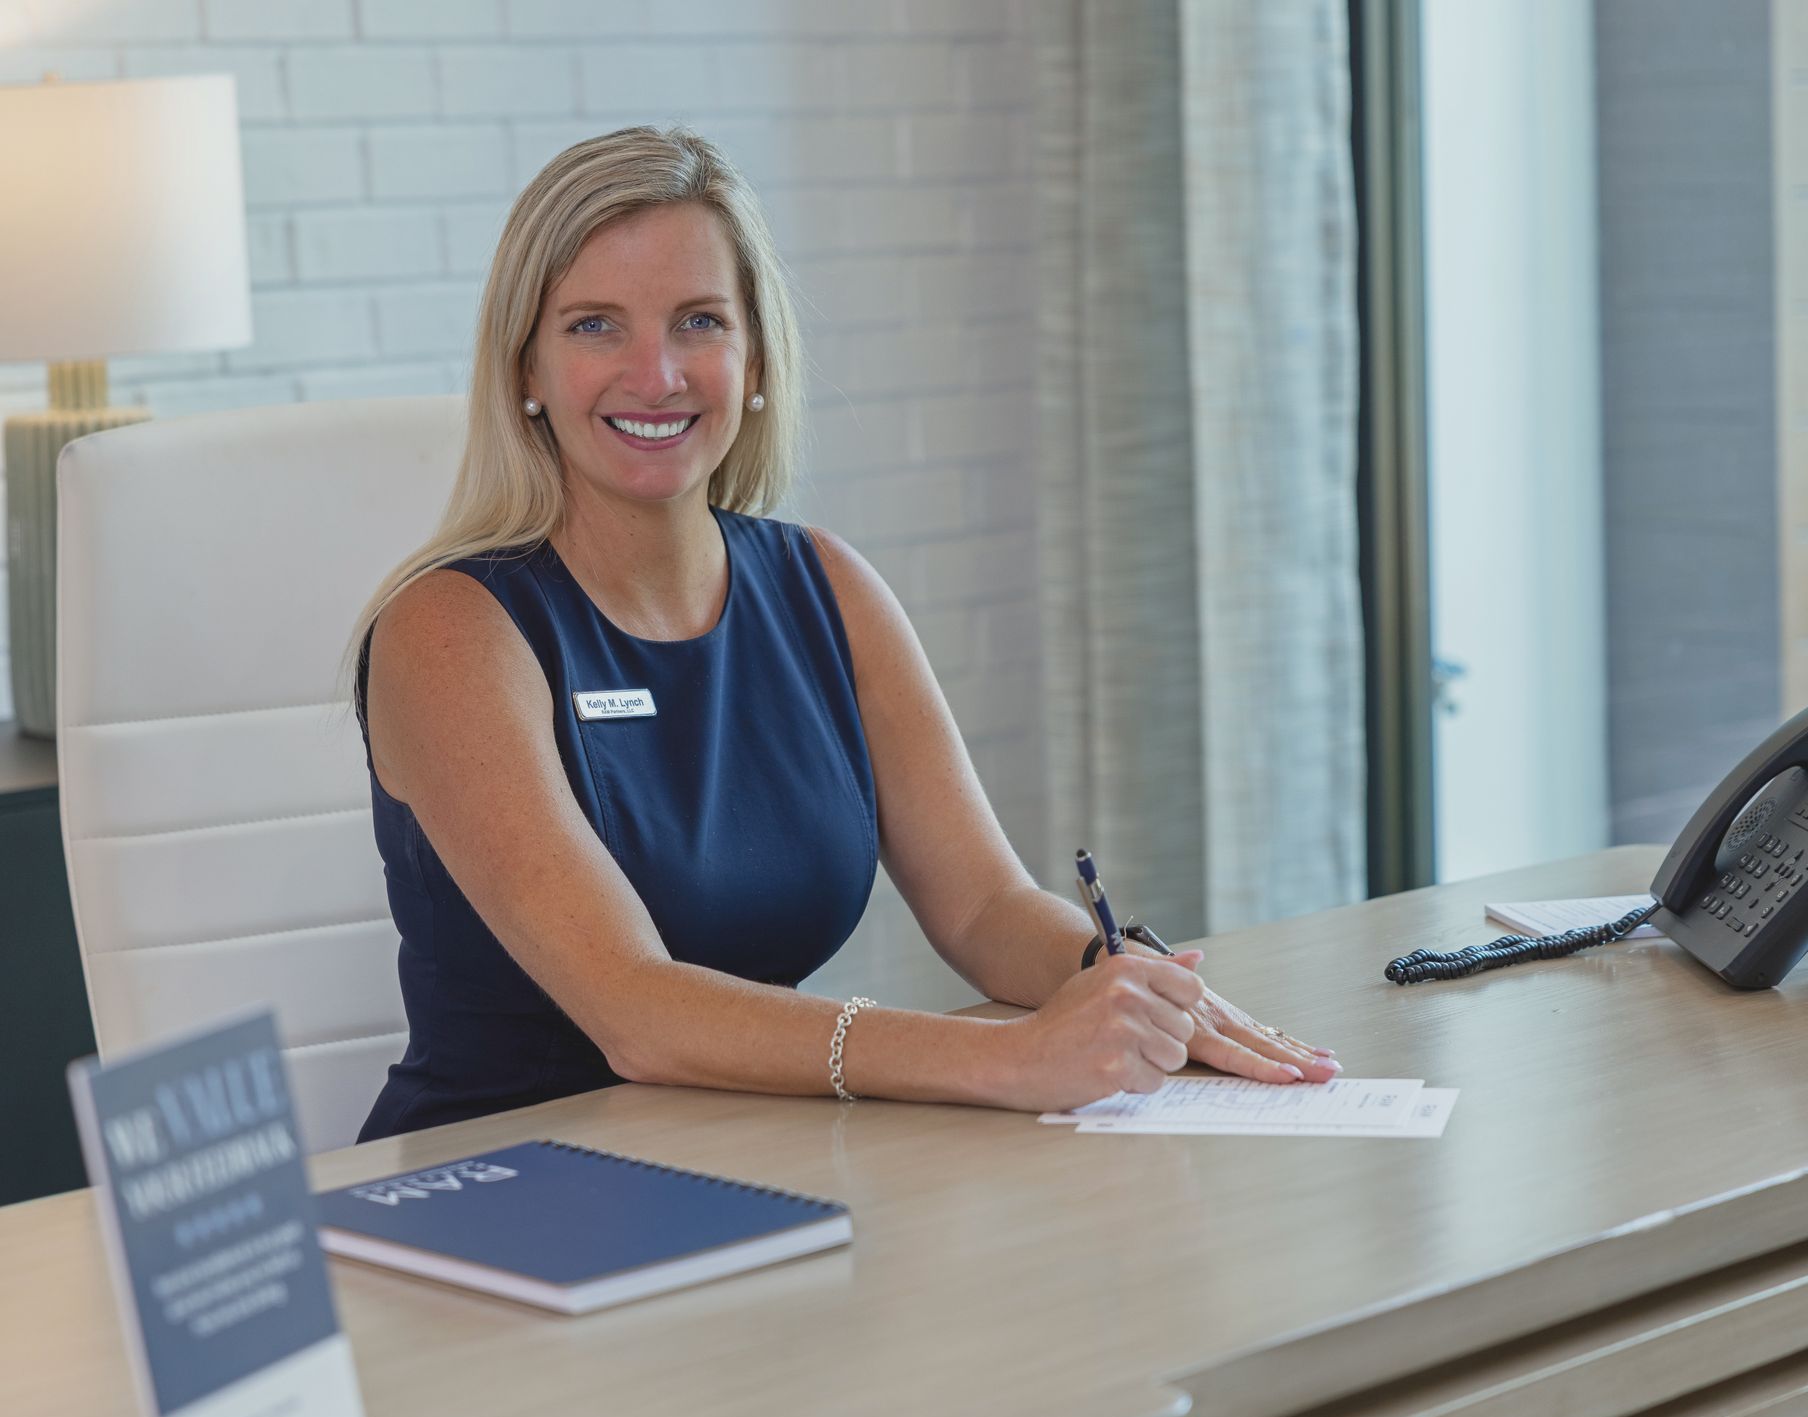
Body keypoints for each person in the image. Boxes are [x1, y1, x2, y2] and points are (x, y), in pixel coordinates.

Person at [346, 124, 1338, 1141]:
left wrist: (1124, 983)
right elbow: (637, 1013)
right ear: (526, 369)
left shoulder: (826, 586)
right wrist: (1009, 1057)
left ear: (756, 356)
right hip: (494, 1187)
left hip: (748, 1152)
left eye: (699, 322)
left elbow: (985, 907)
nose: (657, 373)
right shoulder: (451, 633)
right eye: (596, 325)